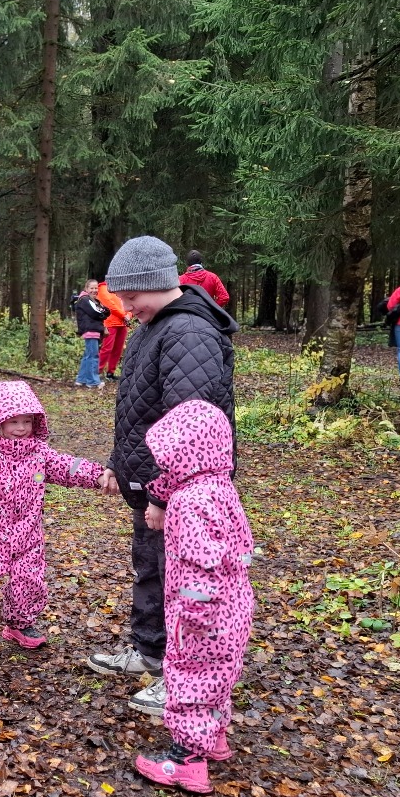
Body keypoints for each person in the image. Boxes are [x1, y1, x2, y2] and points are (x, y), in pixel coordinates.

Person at [84, 235, 238, 717]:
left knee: (188, 589)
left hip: (183, 495)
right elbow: (139, 407)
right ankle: (150, 650)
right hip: (153, 485)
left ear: (158, 284)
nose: (126, 309)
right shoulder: (156, 326)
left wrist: (162, 494)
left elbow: (189, 423)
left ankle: (186, 683)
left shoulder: (188, 333)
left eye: (132, 299)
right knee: (151, 570)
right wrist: (122, 465)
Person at [132, 400, 254, 795]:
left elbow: (201, 562)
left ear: (185, 455)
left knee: (190, 677)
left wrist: (191, 613)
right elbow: (240, 547)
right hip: (234, 606)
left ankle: (186, 758)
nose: (164, 466)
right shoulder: (219, 486)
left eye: (169, 459)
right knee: (218, 677)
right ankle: (213, 737)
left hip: (202, 611)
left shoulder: (190, 503)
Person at [0, 381, 108, 662]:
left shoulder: (40, 454)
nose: (20, 427)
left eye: (26, 421)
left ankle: (19, 623)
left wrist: (98, 474)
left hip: (27, 532)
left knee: (28, 580)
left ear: (35, 422)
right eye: (13, 421)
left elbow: (68, 467)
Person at [73, 279, 108, 388]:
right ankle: (92, 381)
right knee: (93, 355)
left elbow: (106, 310)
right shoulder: (85, 300)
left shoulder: (94, 300)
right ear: (86, 289)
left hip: (93, 330)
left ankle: (81, 379)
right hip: (91, 330)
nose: (94, 290)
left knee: (88, 355)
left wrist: (103, 312)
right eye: (91, 288)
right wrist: (102, 313)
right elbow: (96, 312)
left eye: (96, 288)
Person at [96, 281, 129, 381]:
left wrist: (129, 314)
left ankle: (111, 373)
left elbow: (128, 301)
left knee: (118, 349)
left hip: (122, 323)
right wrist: (124, 315)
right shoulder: (102, 288)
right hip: (110, 323)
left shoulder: (121, 287)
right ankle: (97, 372)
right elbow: (110, 306)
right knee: (107, 348)